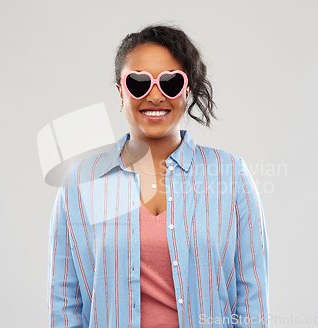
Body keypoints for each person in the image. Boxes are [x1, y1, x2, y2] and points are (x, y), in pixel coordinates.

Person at [47, 24, 269, 328]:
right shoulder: (81, 182)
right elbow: (64, 301)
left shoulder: (231, 175)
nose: (154, 96)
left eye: (170, 82)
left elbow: (251, 297)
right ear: (120, 92)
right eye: (138, 82)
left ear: (187, 90)